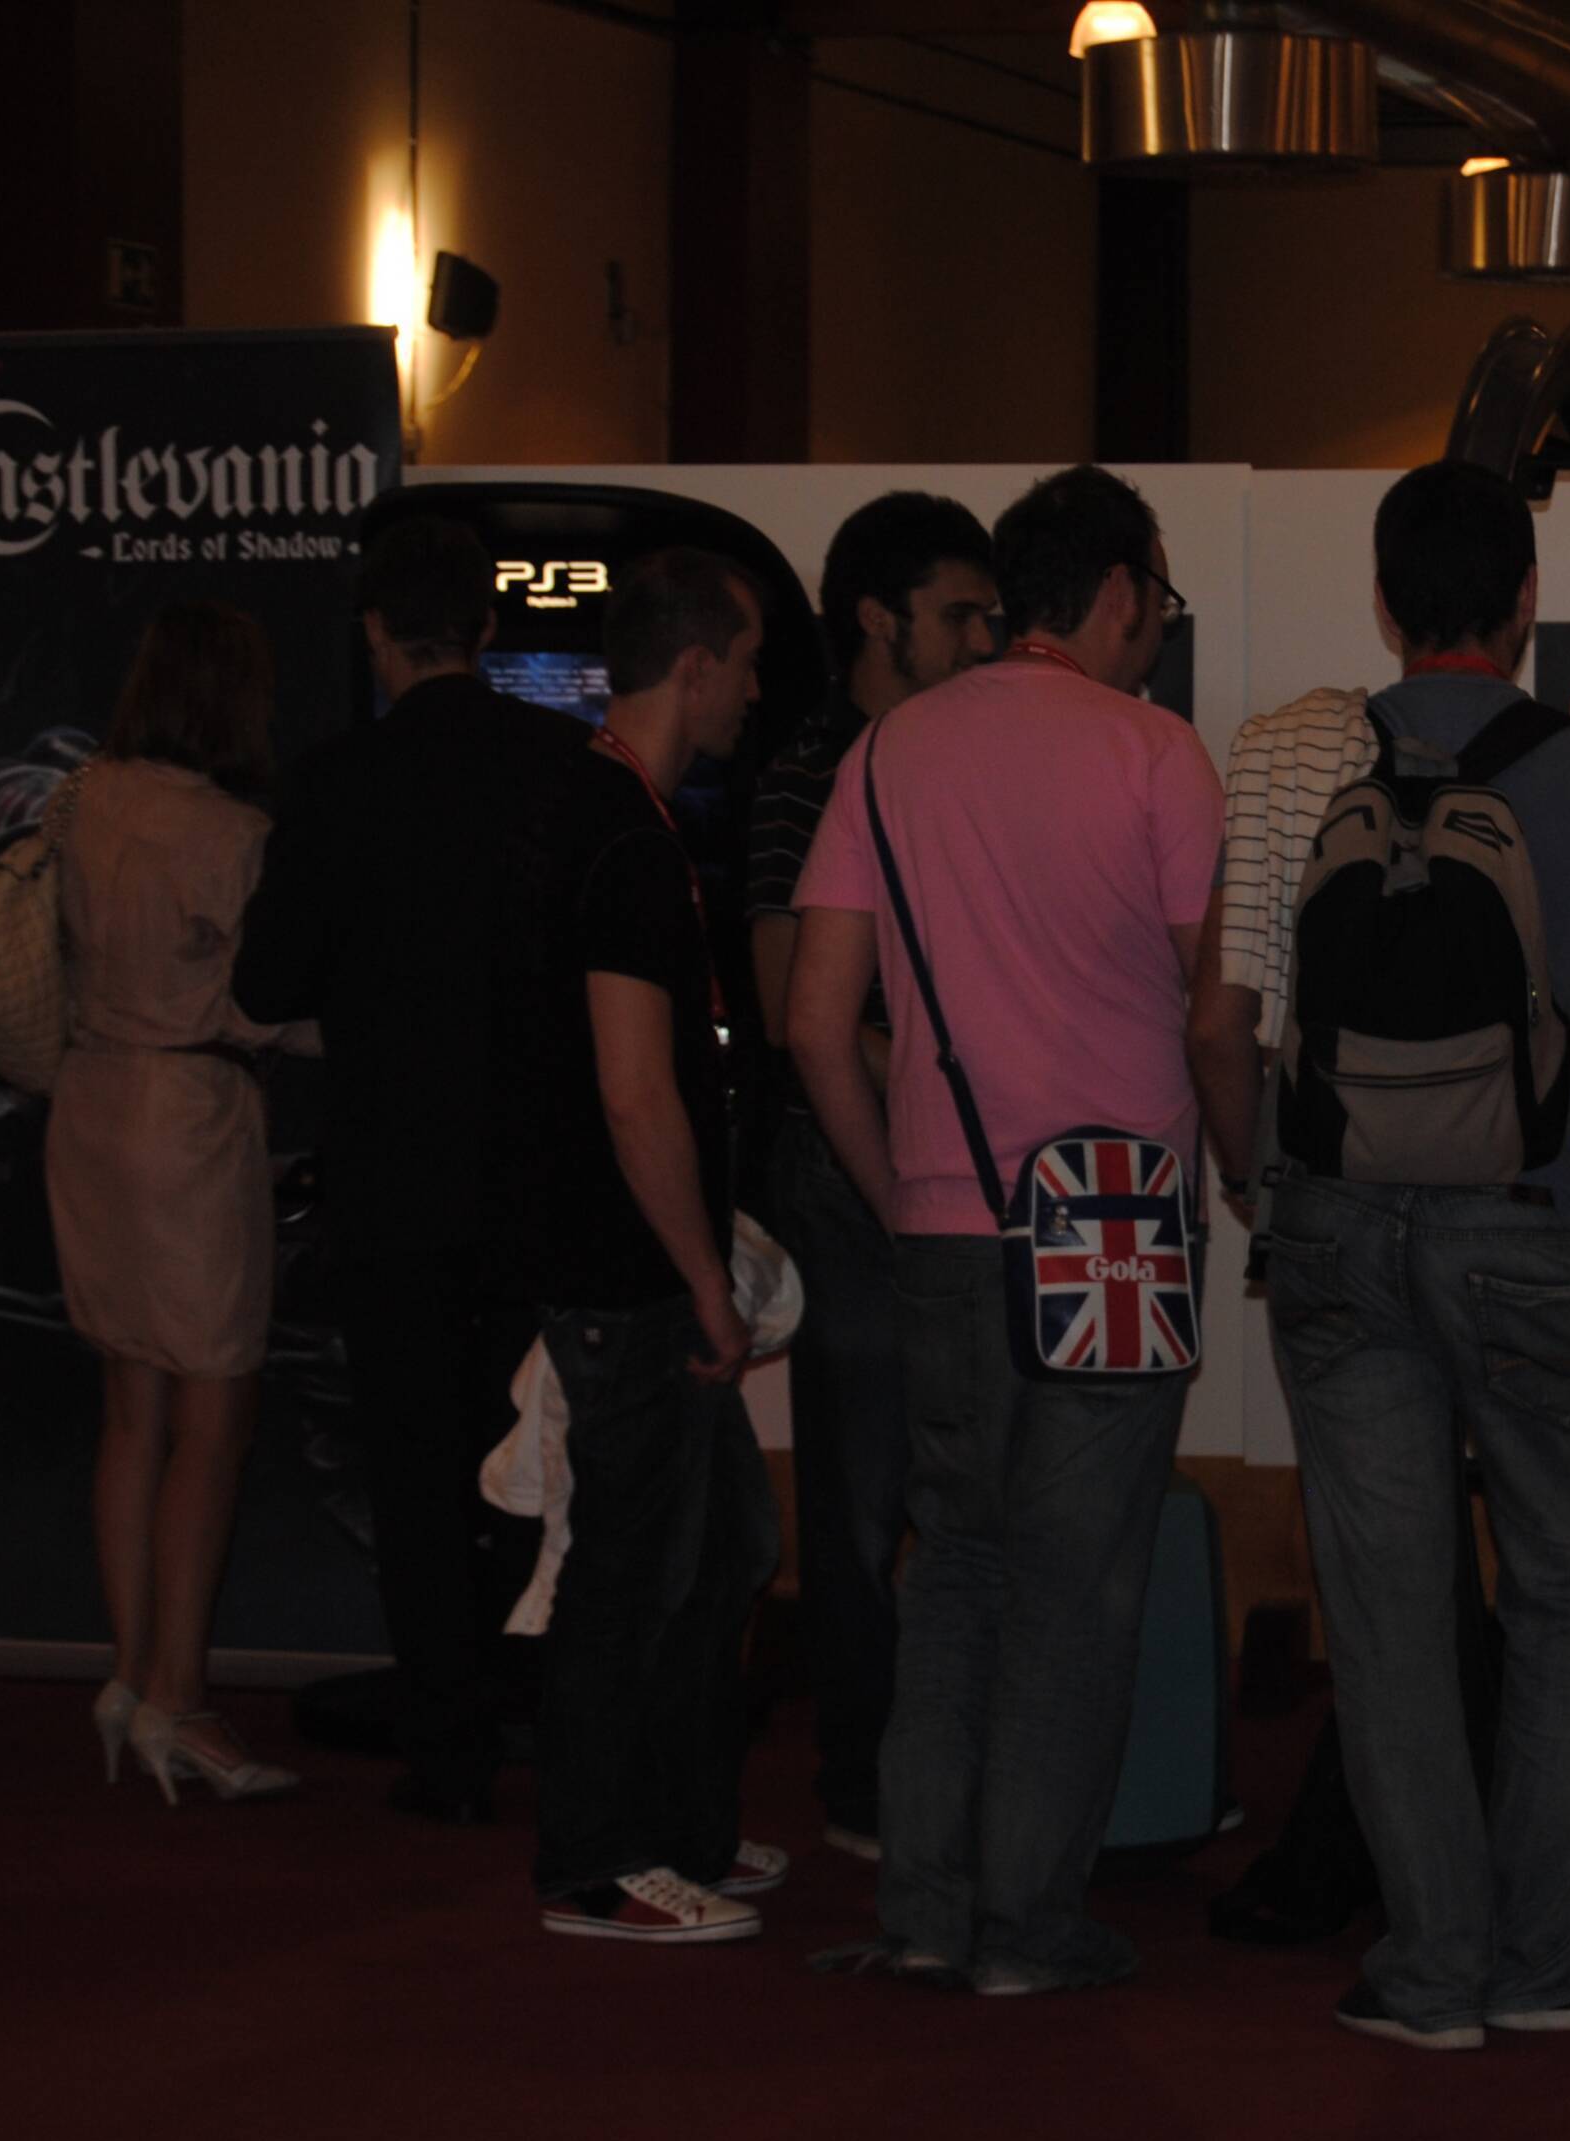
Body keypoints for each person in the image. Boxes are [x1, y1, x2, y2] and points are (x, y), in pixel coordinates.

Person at [1186, 458, 1570, 2048]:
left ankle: (1428, 1969)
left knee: (1387, 1606)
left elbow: (1219, 1024)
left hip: (1335, 1228)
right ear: (1527, 600)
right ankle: (1550, 1951)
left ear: (1383, 600)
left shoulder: (1300, 758)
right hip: (1520, 1223)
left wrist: (1261, 1187)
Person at [787, 464, 1217, 1996]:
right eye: (1157, 598)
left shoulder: (890, 752)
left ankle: (923, 1910)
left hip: (945, 1221)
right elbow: (1213, 1002)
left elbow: (815, 1021)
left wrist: (900, 1185)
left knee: (958, 1560)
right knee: (1077, 1580)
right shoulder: (1156, 754)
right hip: (1121, 1221)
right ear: (1118, 592)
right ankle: (1029, 1925)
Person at [236, 516, 588, 1826]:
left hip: (393, 1176)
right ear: (488, 629)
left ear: (378, 636)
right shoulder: (562, 764)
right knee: (539, 1455)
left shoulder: (336, 780)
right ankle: (546, 1703)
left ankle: (445, 1742)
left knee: (416, 1467)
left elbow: (266, 977)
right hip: (540, 1173)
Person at [491, 548, 782, 1945]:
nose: (757, 690)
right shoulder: (617, 831)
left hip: (633, 1264)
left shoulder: (604, 811)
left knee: (721, 1546)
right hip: (628, 1272)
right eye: (749, 662)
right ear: (696, 665)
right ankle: (597, 1862)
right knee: (630, 1569)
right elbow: (634, 1089)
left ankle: (677, 1829)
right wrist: (707, 1283)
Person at [740, 492, 998, 1864]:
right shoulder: (809, 773)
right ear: (875, 619)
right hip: (855, 1173)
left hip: (954, 1162)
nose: (983, 642)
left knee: (945, 1486)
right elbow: (800, 1009)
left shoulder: (954, 757)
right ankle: (862, 1783)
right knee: (860, 1499)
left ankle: (937, 1773)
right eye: (958, 616)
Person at [51, 600, 313, 1804]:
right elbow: (262, 1006)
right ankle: (180, 1699)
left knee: (130, 1409)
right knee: (215, 1413)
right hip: (187, 1120)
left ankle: (128, 1677)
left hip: (90, 1100)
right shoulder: (230, 833)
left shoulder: (83, 800)